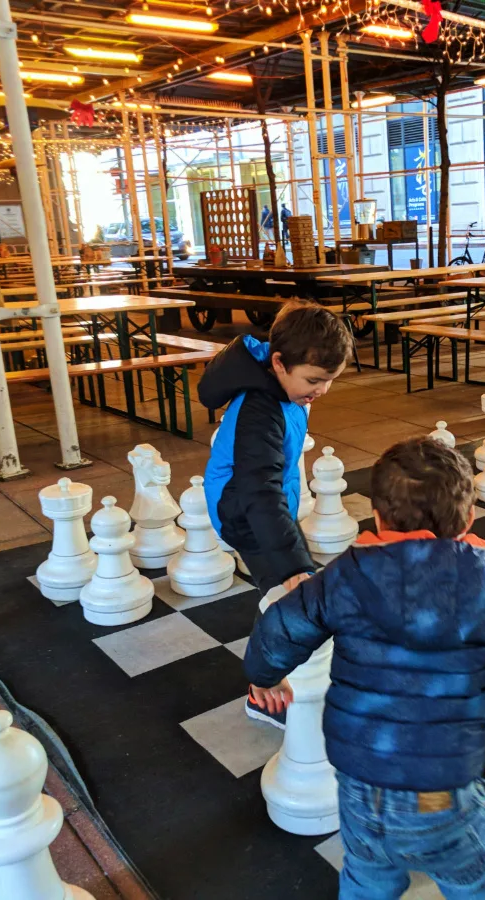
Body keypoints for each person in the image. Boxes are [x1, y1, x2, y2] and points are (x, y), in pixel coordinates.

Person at [244, 437, 485, 899]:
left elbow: (279, 627)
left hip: (358, 783)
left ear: (376, 517)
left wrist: (265, 676)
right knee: (483, 886)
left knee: (367, 873)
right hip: (437, 791)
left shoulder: (345, 575)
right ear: (470, 518)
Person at [199, 302, 353, 728]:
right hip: (243, 510)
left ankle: (275, 674)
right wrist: (291, 563)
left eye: (329, 382)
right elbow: (258, 489)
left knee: (285, 590)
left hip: (260, 503)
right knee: (284, 593)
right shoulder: (259, 409)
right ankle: (264, 689)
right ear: (279, 363)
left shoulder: (280, 383)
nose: (321, 391)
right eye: (314, 380)